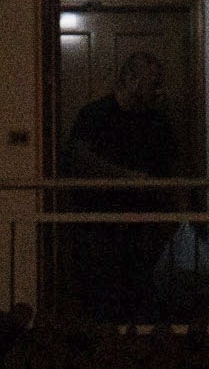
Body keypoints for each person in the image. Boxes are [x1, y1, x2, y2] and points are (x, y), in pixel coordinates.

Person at [51, 47, 187, 320]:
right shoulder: (95, 115)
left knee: (143, 301)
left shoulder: (158, 122)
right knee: (100, 303)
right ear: (132, 80)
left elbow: (173, 168)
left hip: (145, 230)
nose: (159, 90)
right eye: (153, 83)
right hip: (99, 228)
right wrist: (127, 178)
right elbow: (78, 160)